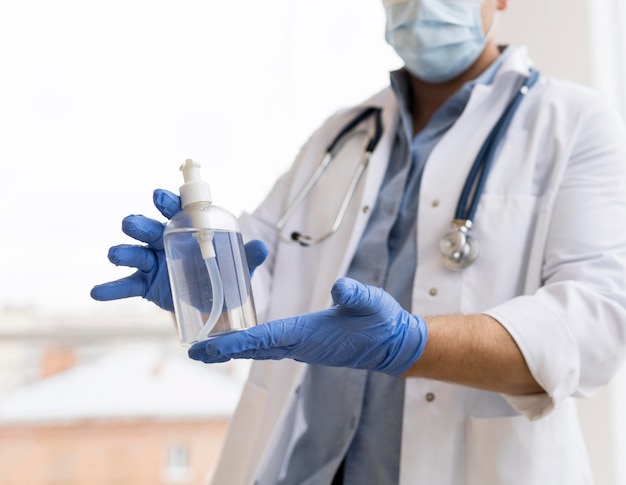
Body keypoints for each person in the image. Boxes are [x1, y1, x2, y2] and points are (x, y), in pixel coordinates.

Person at [91, 0, 626, 483]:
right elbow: (261, 278)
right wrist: (203, 284)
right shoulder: (342, 132)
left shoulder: (573, 122)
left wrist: (413, 344)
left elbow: (594, 323)